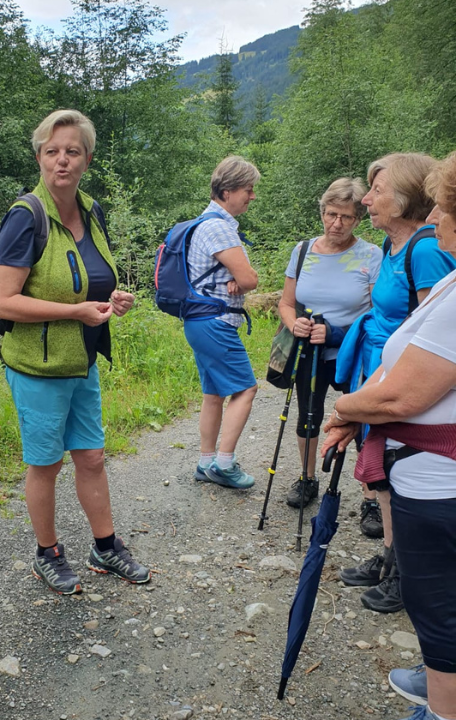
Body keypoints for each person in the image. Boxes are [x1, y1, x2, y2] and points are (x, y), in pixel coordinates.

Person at [0, 109, 150, 595]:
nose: (62, 160)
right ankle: (47, 554)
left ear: (87, 158)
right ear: (39, 156)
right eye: (52, 151)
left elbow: (93, 277)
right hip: (38, 367)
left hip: (81, 360)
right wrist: (74, 311)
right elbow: (3, 301)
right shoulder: (26, 217)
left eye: (72, 151)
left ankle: (105, 545)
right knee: (46, 464)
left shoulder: (92, 210)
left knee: (93, 457)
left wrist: (108, 301)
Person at [322, 150, 456, 720]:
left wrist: (348, 406)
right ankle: (437, 683)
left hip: (438, 475)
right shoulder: (442, 266)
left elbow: (410, 390)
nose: (437, 220)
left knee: (440, 606)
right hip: (421, 462)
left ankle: (442, 706)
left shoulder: (426, 254)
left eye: (444, 207)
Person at [278, 178, 381, 509]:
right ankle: (307, 479)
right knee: (308, 414)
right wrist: (293, 323)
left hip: (356, 353)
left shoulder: (371, 255)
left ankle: (370, 495)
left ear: (358, 219)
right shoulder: (303, 250)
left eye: (346, 217)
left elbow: (380, 314)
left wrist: (337, 333)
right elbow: (286, 302)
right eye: (331, 214)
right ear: (322, 212)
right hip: (309, 350)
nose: (337, 223)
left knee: (362, 418)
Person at [189, 156, 260, 489]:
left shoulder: (205, 222)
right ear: (228, 190)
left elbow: (239, 278)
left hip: (200, 320)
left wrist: (238, 278)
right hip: (216, 321)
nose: (252, 196)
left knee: (213, 393)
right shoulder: (218, 226)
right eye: (248, 190)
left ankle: (206, 463)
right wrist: (241, 277)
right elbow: (250, 279)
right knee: (246, 388)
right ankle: (224, 463)